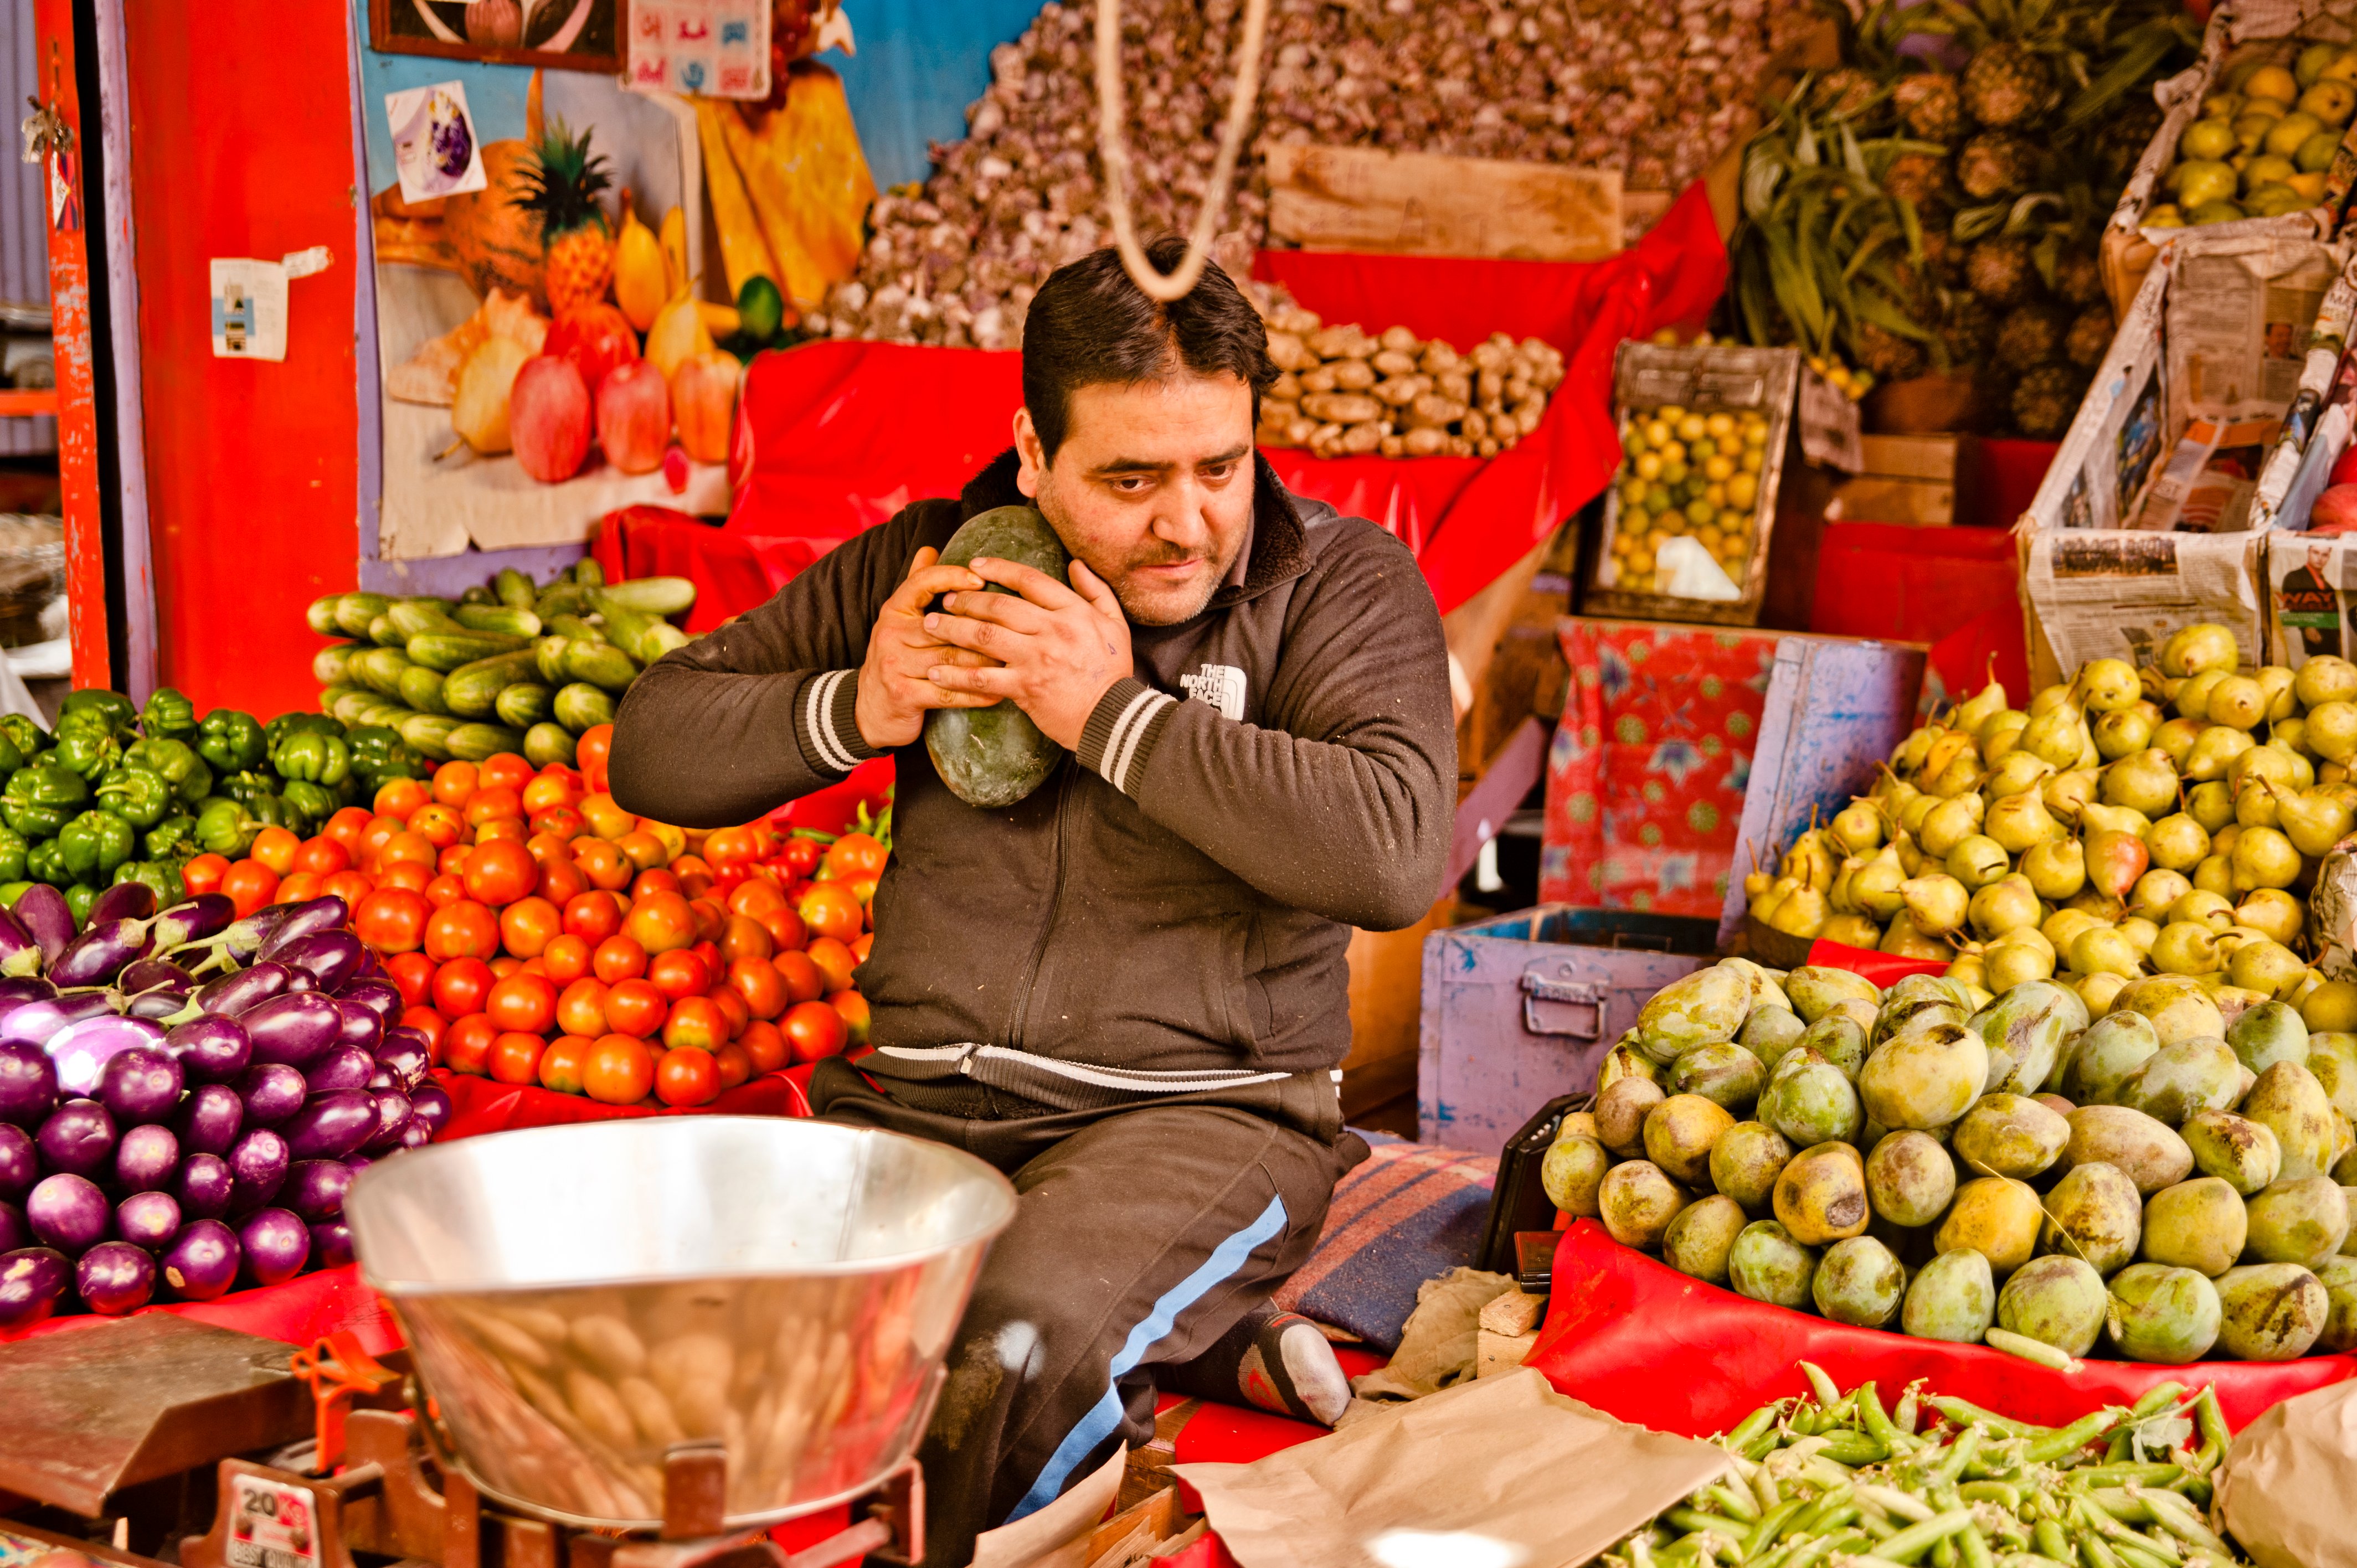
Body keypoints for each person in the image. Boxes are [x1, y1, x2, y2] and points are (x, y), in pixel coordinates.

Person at [609, 236, 1455, 1564]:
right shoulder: (938, 564)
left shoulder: (1335, 588)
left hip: (1194, 1121)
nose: (1185, 522)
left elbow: (1399, 854)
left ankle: (1111, 1351)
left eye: (1219, 468)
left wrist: (1111, 716)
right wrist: (859, 704)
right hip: (912, 1111)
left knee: (999, 1362)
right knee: (661, 1332)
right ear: (1031, 454)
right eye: (1129, 479)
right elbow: (651, 742)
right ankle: (1201, 1329)